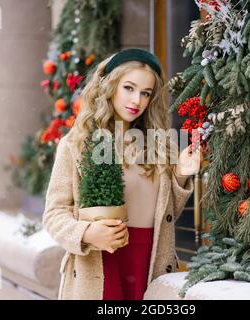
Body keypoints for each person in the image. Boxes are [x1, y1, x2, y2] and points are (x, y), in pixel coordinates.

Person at [42, 48, 201, 300]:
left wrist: (181, 174)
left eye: (145, 93)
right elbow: (54, 214)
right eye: (129, 88)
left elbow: (166, 215)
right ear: (110, 86)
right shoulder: (77, 144)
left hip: (150, 263)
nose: (136, 100)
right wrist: (86, 233)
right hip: (100, 265)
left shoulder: (160, 145)